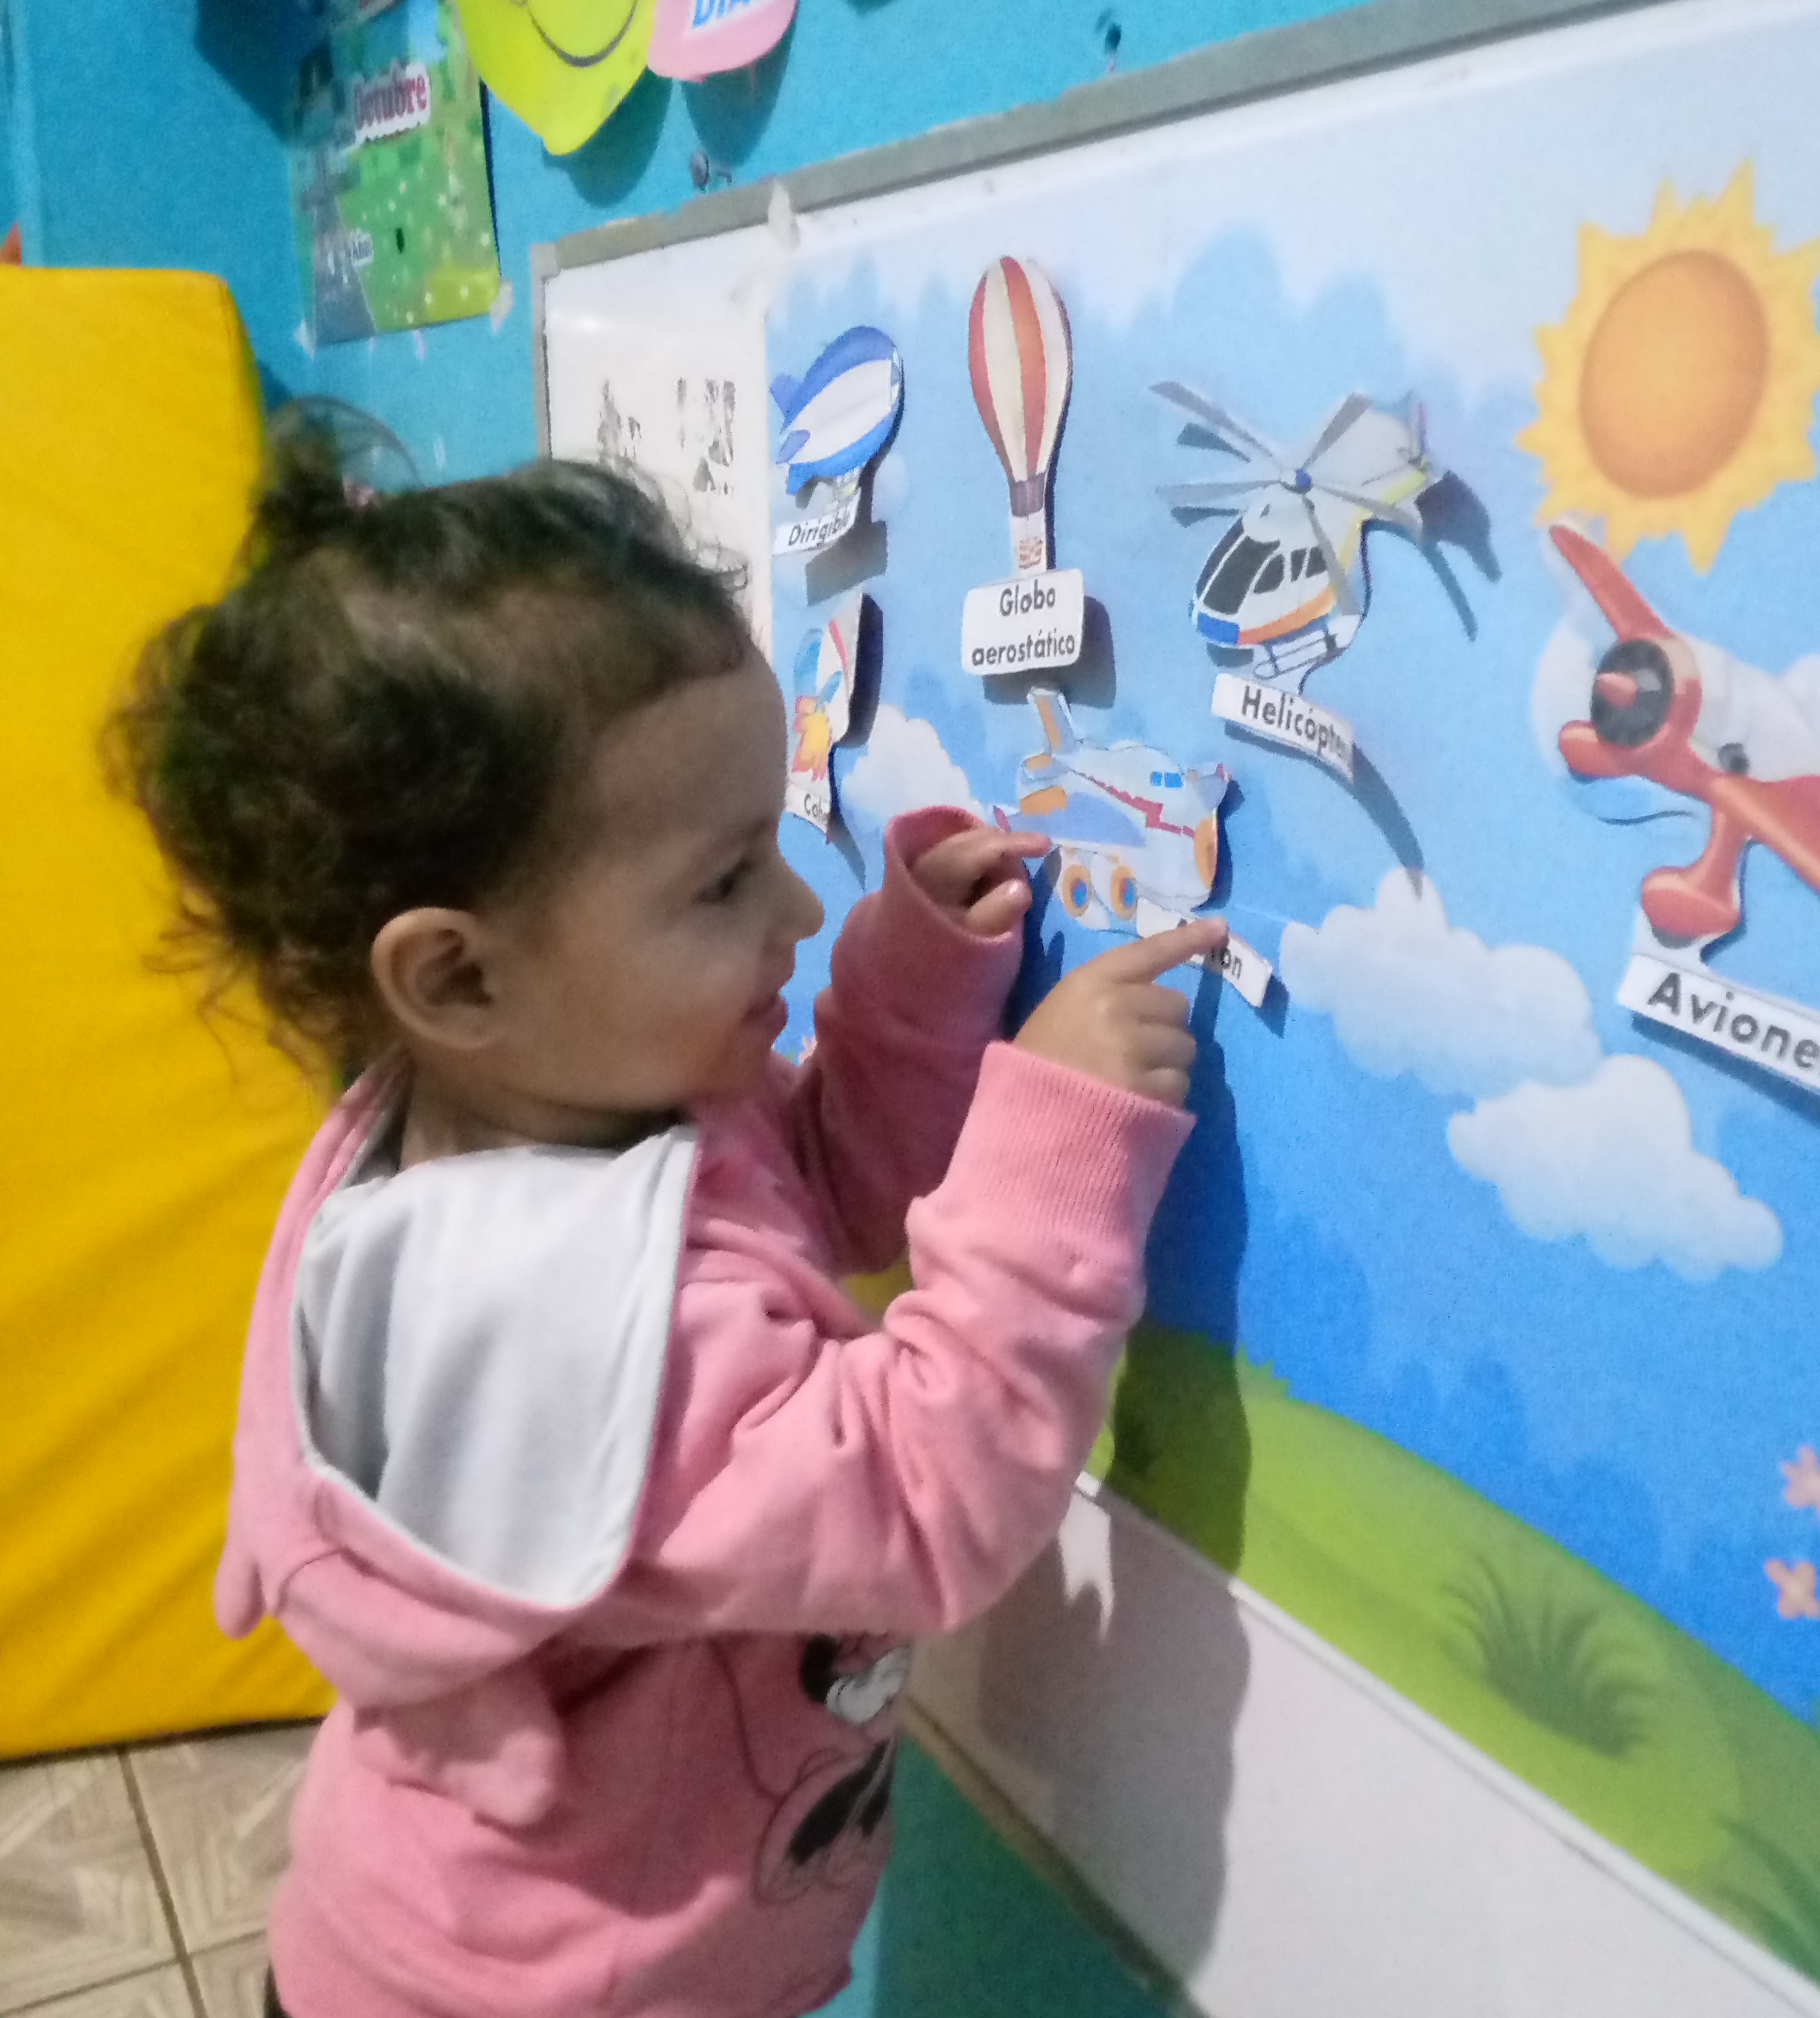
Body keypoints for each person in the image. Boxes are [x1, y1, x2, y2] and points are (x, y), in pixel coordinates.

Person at [108, 406, 1226, 2018]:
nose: (797, 905)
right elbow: (926, 1496)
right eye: (723, 881)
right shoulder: (565, 1337)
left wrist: (915, 987)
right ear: (458, 975)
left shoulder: (550, 1096)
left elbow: (804, 1193)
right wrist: (1055, 1138)